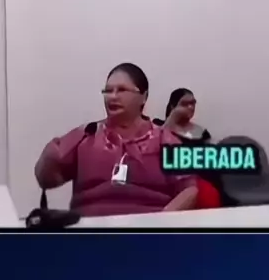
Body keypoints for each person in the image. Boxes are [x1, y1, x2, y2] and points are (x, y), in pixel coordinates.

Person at [35, 63, 198, 216]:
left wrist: (159, 222)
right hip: (90, 230)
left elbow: (190, 190)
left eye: (121, 90)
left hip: (147, 230)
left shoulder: (164, 139)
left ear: (143, 97)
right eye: (108, 91)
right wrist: (50, 159)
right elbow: (47, 180)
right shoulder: (86, 135)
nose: (112, 97)